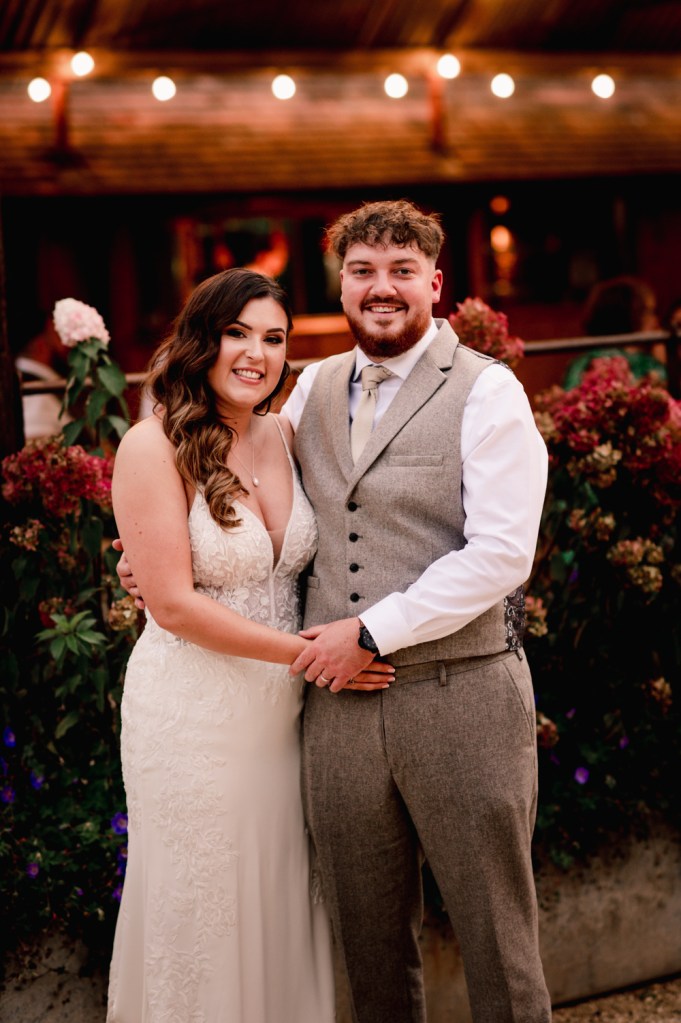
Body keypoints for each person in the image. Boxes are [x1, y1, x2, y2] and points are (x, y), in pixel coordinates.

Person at [118, 200, 552, 1023]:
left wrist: (370, 631)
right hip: (332, 711)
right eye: (361, 271)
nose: (380, 288)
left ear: (434, 280)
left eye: (399, 271)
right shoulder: (308, 390)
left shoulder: (488, 393)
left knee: (496, 933)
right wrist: (147, 565)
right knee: (365, 945)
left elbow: (501, 555)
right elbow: (217, 496)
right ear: (341, 284)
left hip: (458, 695)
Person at [106, 267, 392, 1023]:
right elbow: (171, 603)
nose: (255, 354)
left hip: (283, 717)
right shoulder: (149, 445)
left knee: (281, 891)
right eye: (237, 333)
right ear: (202, 339)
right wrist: (315, 656)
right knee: (202, 903)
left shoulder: (287, 433)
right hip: (191, 714)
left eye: (273, 338)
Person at [563, 274, 665, 388]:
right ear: (630, 316)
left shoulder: (581, 362)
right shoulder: (647, 364)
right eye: (650, 312)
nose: (656, 321)